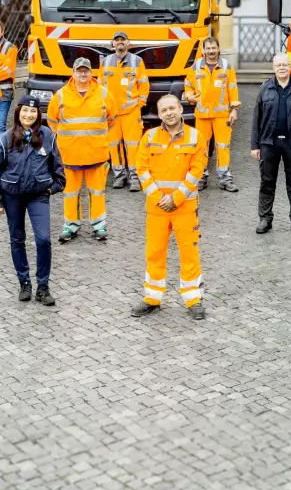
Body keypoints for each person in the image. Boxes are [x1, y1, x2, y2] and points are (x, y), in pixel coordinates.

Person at [131, 94, 209, 320]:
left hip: (185, 207)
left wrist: (175, 197)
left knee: (189, 253)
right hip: (156, 208)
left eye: (172, 108)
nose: (169, 113)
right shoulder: (149, 136)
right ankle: (152, 298)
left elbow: (196, 171)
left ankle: (193, 299)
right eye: (164, 110)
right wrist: (158, 197)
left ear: (180, 109)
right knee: (154, 253)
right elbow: (141, 168)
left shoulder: (196, 137)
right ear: (159, 113)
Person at [0, 97, 64, 306]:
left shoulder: (48, 136)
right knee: (17, 239)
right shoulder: (6, 139)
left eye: (33, 112)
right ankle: (24, 282)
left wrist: (53, 187)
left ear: (38, 115)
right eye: (25, 111)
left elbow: (57, 165)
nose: (28, 115)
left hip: (39, 194)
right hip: (12, 195)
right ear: (18, 113)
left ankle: (43, 286)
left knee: (43, 240)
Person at [48, 57, 110, 244]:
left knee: (97, 191)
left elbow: (112, 118)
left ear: (91, 73)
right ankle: (71, 225)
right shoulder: (60, 95)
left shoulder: (104, 93)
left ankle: (99, 225)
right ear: (73, 73)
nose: (83, 74)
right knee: (70, 192)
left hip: (96, 153)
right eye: (79, 71)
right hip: (69, 155)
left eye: (86, 71)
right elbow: (52, 121)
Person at [252, 52, 291, 234]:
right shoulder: (265, 89)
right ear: (273, 68)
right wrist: (255, 145)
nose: (282, 68)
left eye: (285, 64)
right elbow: (256, 119)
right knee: (267, 182)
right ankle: (265, 219)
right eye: (279, 65)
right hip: (269, 143)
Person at [183, 36, 240, 193]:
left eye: (213, 48)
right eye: (208, 48)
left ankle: (224, 179)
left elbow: (233, 89)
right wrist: (189, 97)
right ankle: (201, 177)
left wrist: (234, 110)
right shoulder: (195, 67)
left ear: (218, 49)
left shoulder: (227, 67)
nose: (211, 51)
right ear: (203, 50)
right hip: (202, 115)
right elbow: (187, 85)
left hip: (222, 115)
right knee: (201, 148)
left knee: (223, 146)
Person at [102, 32, 149, 192]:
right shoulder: (105, 62)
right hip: (112, 113)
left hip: (131, 111)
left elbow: (144, 84)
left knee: (133, 146)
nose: (120, 42)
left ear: (129, 43)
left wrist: (139, 105)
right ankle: (119, 176)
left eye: (123, 40)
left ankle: (135, 178)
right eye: (117, 40)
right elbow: (100, 86)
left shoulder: (137, 61)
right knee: (114, 146)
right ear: (112, 43)